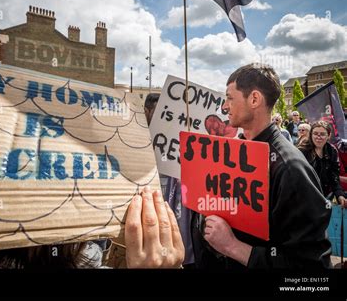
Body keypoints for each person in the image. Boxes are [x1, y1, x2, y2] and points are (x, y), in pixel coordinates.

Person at [126, 63, 332, 268]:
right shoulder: (231, 153)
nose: (224, 106)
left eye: (230, 98)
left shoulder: (290, 168)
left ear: (254, 99)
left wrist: (233, 247)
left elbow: (312, 267)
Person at [143, 93, 195, 267]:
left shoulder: (178, 145)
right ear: (146, 112)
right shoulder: (138, 145)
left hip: (182, 232)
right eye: (160, 113)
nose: (164, 121)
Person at [298, 121, 347, 208]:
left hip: (324, 196)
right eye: (315, 133)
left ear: (328, 136)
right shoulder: (302, 150)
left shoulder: (332, 151)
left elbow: (334, 177)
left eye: (322, 134)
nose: (318, 137)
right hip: (304, 197)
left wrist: (340, 195)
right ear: (311, 135)